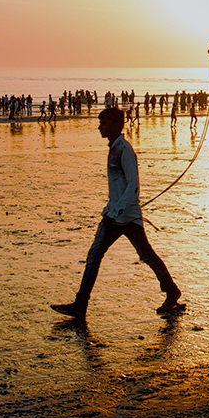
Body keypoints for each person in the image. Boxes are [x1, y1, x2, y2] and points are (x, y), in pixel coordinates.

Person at [51, 107, 182, 320]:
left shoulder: (125, 150)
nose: (99, 127)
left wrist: (118, 211)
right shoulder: (114, 148)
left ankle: (171, 291)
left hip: (127, 216)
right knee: (96, 256)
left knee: (144, 255)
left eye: (103, 123)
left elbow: (133, 185)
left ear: (115, 124)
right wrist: (111, 210)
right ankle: (80, 304)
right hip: (114, 214)